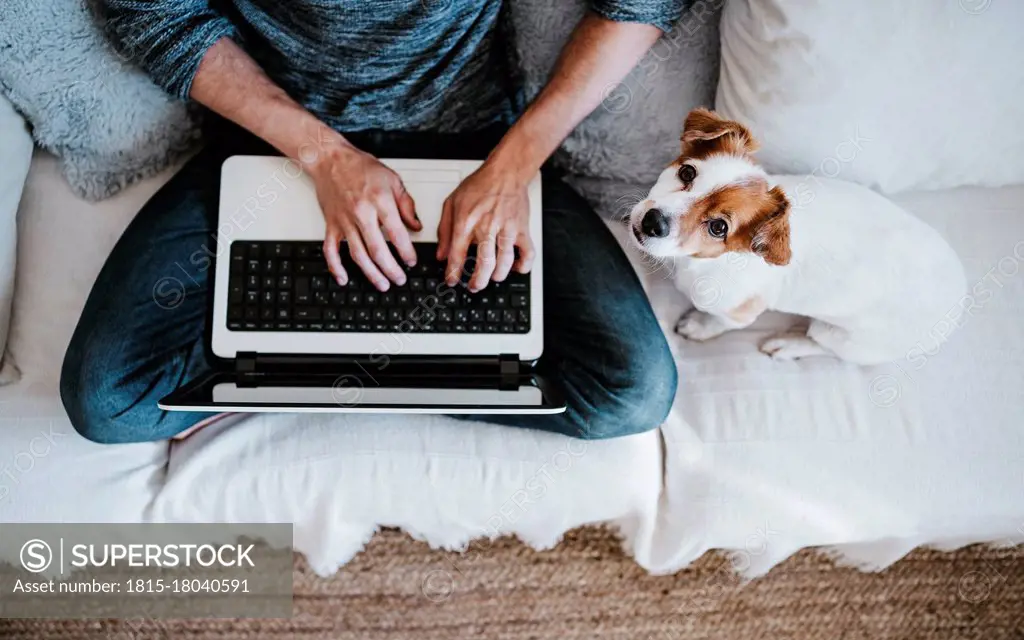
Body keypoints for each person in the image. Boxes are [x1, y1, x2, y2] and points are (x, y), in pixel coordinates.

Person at [60, 0, 684, 444]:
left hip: (480, 151)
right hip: (273, 147)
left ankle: (353, 382)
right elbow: (150, 11)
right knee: (106, 402)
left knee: (636, 393)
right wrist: (323, 156)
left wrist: (513, 167)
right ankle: (328, 378)